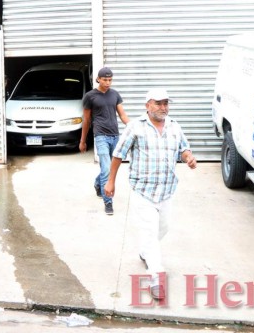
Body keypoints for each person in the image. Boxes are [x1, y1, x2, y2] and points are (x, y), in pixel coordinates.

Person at [104, 88, 197, 300]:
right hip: (143, 191)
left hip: (166, 190)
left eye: (166, 103)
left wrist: (188, 157)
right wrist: (110, 182)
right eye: (158, 103)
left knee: (163, 228)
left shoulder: (174, 126)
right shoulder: (135, 127)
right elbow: (118, 154)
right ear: (148, 105)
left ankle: (145, 252)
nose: (163, 107)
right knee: (149, 230)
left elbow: (184, 148)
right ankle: (156, 276)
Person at [79, 67, 130, 215]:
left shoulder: (115, 94)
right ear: (98, 79)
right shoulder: (90, 96)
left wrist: (133, 126)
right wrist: (83, 141)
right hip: (100, 136)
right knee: (107, 170)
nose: (108, 83)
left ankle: (97, 183)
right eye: (105, 80)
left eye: (110, 80)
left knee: (109, 169)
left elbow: (122, 115)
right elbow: (87, 120)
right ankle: (108, 202)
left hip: (115, 136)